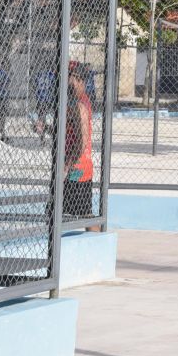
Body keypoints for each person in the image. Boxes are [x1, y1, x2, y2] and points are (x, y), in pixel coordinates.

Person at [63, 61, 98, 231]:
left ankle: (97, 240)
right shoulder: (73, 101)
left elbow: (82, 141)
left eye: (67, 76)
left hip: (77, 169)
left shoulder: (80, 104)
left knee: (84, 215)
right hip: (75, 166)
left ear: (76, 79)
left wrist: (68, 165)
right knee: (80, 213)